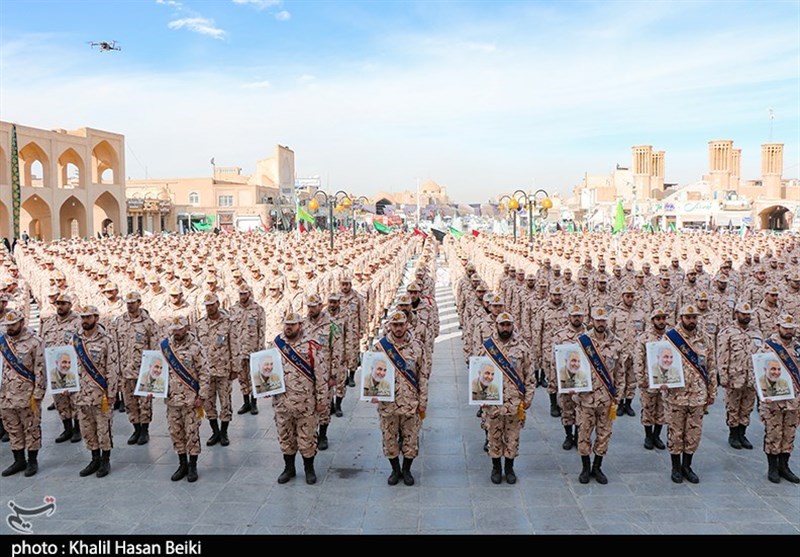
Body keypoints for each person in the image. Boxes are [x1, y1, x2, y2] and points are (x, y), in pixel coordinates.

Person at [271, 312, 327, 485]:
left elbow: (321, 375)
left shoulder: (311, 346)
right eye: (286, 324)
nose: (288, 327)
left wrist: (321, 400)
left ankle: (309, 469)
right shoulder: (277, 345)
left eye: (292, 324)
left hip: (306, 403)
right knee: (285, 437)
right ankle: (289, 468)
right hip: (282, 403)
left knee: (307, 438)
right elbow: (267, 369)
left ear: (300, 325)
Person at [664, 304, 717, 484]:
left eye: (694, 317)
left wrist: (712, 392)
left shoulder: (706, 339)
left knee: (693, 433)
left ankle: (687, 466)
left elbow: (711, 367)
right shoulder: (670, 339)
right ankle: (675, 467)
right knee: (675, 433)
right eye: (688, 317)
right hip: (676, 395)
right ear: (681, 318)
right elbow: (660, 364)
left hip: (698, 395)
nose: (691, 320)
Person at [575, 307, 626, 485]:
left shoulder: (617, 343)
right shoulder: (581, 342)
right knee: (583, 434)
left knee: (604, 434)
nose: (601, 323)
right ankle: (585, 467)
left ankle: (597, 466)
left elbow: (620, 373)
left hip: (607, 399)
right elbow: (570, 368)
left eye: (604, 320)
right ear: (592, 320)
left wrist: (617, 396)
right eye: (598, 320)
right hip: (585, 399)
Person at [482, 312, 534, 485]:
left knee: (512, 437)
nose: (505, 328)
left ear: (513, 325)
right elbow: (477, 373)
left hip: (514, 402)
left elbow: (529, 375)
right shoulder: (487, 347)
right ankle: (496, 468)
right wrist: (478, 396)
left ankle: (510, 468)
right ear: (496, 325)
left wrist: (528, 398)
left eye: (508, 325)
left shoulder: (523, 347)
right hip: (493, 402)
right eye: (502, 324)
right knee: (494, 436)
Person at [375, 310, 426, 486]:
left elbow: (423, 376)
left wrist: (423, 402)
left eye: (401, 325)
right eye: (395, 325)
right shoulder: (380, 347)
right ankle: (395, 470)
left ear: (407, 325)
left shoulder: (417, 346)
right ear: (390, 326)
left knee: (410, 439)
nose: (398, 328)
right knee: (389, 439)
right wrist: (372, 393)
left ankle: (407, 470)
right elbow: (373, 373)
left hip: (410, 403)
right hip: (388, 404)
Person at [73, 305, 119, 478]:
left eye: (89, 317)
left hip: (101, 395)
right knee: (87, 429)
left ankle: (105, 461)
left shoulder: (107, 340)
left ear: (96, 318)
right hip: (81, 394)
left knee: (103, 429)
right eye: (83, 317)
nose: (85, 320)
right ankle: (94, 459)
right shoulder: (75, 340)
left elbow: (112, 368)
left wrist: (112, 392)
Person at [162, 316, 210, 483]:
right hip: (172, 399)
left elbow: (204, 372)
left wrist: (202, 395)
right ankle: (182, 464)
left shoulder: (196, 347)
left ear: (187, 328)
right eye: (174, 329)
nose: (177, 332)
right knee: (176, 432)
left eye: (180, 328)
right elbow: (156, 369)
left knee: (191, 433)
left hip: (191, 400)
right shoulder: (165, 347)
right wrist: (153, 388)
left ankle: (192, 465)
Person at [0, 310, 45, 477]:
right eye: (7, 325)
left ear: (22, 322)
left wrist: (38, 394)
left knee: (31, 428)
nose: (10, 328)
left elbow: (40, 369)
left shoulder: (35, 342)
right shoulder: (2, 341)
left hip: (27, 395)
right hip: (5, 394)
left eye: (13, 324)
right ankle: (18, 460)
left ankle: (32, 461)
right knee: (12, 428)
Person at [113, 291, 159, 446]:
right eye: (128, 302)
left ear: (140, 302)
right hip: (125, 371)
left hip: (143, 370)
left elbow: (155, 348)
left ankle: (144, 430)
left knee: (144, 403)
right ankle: (136, 428)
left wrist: (154, 372)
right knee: (129, 402)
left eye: (133, 302)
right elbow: (115, 347)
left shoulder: (148, 323)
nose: (130, 305)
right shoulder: (119, 321)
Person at [758, 314, 799, 483]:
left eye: (791, 328)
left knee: (789, 434)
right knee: (774, 434)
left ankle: (784, 466)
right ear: (777, 327)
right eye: (785, 328)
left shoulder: (797, 348)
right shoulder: (768, 348)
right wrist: (762, 394)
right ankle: (773, 467)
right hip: (773, 400)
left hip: (794, 400)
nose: (789, 331)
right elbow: (757, 373)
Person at [716, 302, 762, 450]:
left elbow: (761, 355)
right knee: (733, 407)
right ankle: (733, 434)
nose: (746, 316)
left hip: (751, 377)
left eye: (748, 314)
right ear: (736, 314)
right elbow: (722, 355)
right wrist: (723, 376)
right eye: (743, 314)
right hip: (734, 377)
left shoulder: (757, 332)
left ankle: (742, 434)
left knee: (747, 407)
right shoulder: (727, 332)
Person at [39, 293, 82, 444]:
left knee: (75, 399)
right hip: (54, 368)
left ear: (70, 305)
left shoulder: (78, 322)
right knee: (60, 400)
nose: (60, 306)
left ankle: (77, 429)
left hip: (72, 368)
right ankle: (67, 428)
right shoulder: (49, 323)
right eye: (58, 303)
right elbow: (41, 342)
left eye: (64, 303)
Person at [194, 292, 235, 447]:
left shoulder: (228, 322)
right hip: (206, 373)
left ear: (218, 304)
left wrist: (235, 367)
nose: (209, 308)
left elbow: (234, 345)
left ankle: (224, 433)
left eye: (212, 304)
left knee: (225, 403)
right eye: (207, 305)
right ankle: (215, 431)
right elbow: (196, 350)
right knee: (208, 403)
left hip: (224, 370)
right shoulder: (199, 325)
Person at [229, 284, 266, 417]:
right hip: (238, 350)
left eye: (245, 293)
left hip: (253, 349)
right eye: (241, 294)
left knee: (253, 377)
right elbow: (230, 331)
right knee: (242, 377)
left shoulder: (258, 309)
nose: (243, 296)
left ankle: (254, 402)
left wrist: (260, 349)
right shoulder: (233, 309)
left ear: (250, 294)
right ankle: (246, 402)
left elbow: (261, 330)